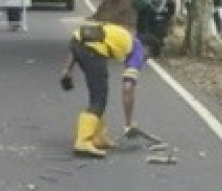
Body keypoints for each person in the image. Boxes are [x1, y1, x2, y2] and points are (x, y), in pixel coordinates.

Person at [58, 21, 162, 158]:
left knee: (98, 94)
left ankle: (97, 136)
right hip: (93, 51)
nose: (144, 60)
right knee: (99, 99)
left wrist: (67, 69)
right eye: (147, 57)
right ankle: (83, 141)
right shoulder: (137, 50)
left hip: (79, 43)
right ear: (147, 49)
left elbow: (80, 39)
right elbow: (128, 88)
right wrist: (128, 123)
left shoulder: (123, 37)